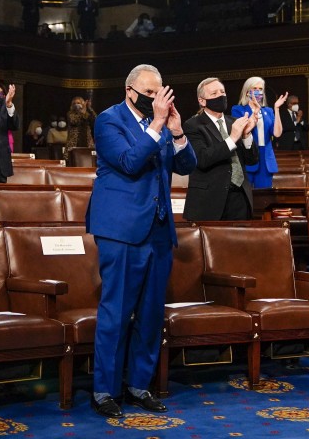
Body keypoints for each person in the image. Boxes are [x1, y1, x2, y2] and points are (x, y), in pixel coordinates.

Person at [86, 64, 196, 419]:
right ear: (128, 89)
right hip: (121, 230)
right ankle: (105, 390)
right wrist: (158, 124)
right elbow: (130, 163)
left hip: (159, 230)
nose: (155, 99)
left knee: (150, 315)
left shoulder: (164, 125)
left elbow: (187, 166)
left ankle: (138, 385)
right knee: (116, 312)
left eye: (159, 92)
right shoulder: (108, 120)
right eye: (149, 93)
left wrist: (178, 133)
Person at [183, 77, 258, 221]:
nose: (221, 96)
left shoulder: (234, 122)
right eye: (214, 94)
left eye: (222, 92)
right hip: (210, 202)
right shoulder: (192, 125)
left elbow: (252, 160)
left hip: (240, 198)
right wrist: (233, 138)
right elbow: (202, 159)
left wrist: (246, 135)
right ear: (202, 101)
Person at [231, 77, 285, 188]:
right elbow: (241, 132)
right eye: (254, 88)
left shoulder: (268, 111)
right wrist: (254, 113)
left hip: (266, 159)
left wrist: (277, 109)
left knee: (264, 196)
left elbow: (277, 133)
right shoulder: (238, 110)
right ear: (247, 92)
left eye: (260, 89)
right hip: (248, 157)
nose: (258, 91)